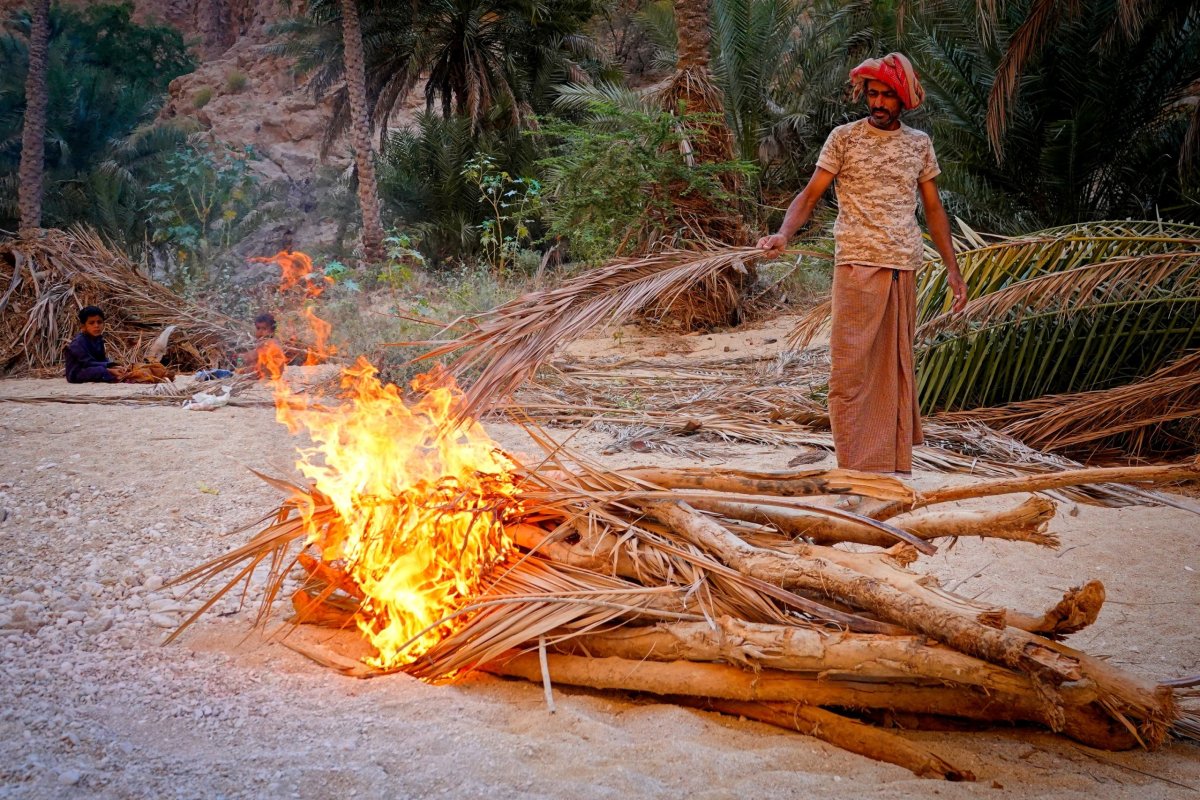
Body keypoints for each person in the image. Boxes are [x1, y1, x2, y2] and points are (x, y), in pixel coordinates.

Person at [758, 52, 968, 475]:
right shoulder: (844, 138)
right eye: (872, 94)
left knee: (892, 368)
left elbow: (934, 210)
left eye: (887, 96)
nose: (878, 103)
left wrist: (953, 268)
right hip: (855, 262)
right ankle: (854, 465)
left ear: (902, 100)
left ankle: (889, 464)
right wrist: (783, 233)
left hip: (902, 265)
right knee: (851, 368)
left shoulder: (918, 145)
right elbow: (810, 194)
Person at [64, 306, 124, 384]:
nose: (96, 326)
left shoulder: (98, 339)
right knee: (99, 371)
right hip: (77, 373)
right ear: (83, 326)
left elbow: (101, 359)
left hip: (92, 367)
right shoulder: (78, 343)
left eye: (99, 322)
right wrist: (109, 369)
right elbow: (87, 363)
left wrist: (114, 366)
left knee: (106, 369)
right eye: (91, 323)